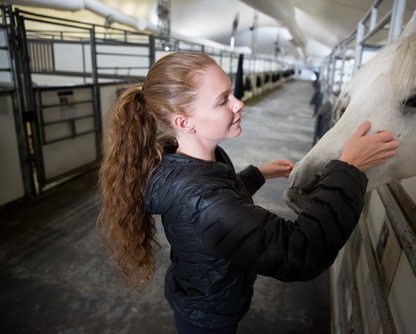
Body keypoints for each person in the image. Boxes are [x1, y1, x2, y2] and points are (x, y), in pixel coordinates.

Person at [97, 51, 399, 334]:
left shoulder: (193, 161)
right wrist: (348, 168)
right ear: (183, 121)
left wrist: (259, 174)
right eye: (222, 100)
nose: (239, 103)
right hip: (210, 315)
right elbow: (301, 251)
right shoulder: (202, 198)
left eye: (232, 93)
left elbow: (221, 198)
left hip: (206, 289)